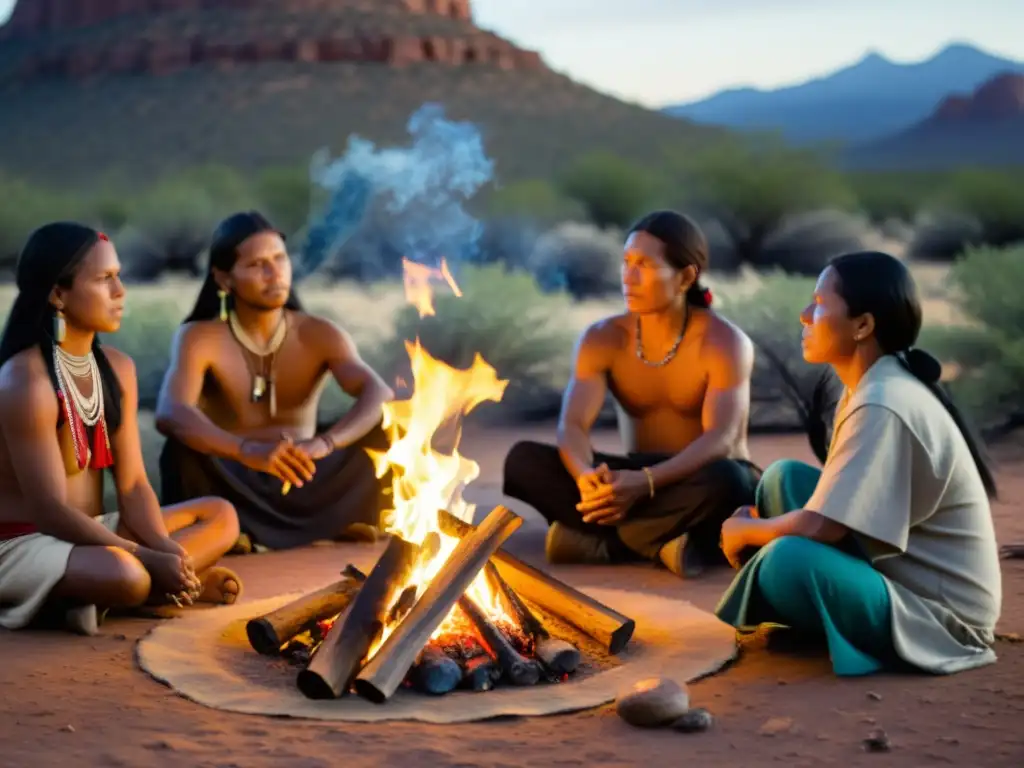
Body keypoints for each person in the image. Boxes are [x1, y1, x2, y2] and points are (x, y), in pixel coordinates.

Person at [715, 251, 1002, 677]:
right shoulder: (874, 382)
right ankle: (835, 614)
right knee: (782, 479)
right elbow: (834, 513)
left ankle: (848, 625)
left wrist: (745, 531)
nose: (804, 315)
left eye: (819, 303)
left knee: (785, 560)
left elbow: (824, 527)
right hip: (899, 573)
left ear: (863, 325)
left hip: (942, 617)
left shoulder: (883, 401)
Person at [0, 222, 241, 636]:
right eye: (104, 279)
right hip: (24, 543)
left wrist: (166, 551)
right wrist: (145, 558)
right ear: (58, 294)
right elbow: (50, 511)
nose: (120, 291)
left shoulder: (117, 368)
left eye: (119, 276)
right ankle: (155, 587)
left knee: (221, 516)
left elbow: (131, 486)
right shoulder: (26, 382)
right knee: (126, 575)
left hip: (90, 532)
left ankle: (165, 581)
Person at [503, 210, 760, 578]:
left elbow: (721, 439)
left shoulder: (724, 342)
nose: (629, 277)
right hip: (635, 479)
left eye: (644, 264)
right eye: (626, 262)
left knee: (730, 482)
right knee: (523, 460)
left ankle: (602, 543)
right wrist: (585, 478)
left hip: (701, 476)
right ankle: (663, 542)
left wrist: (648, 483)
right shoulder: (602, 338)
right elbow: (573, 424)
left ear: (686, 276)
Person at [155, 211, 395, 553]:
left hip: (307, 475)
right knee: (181, 448)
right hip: (236, 479)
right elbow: (171, 412)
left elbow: (378, 393)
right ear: (224, 279)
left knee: (385, 425)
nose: (275, 273)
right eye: (257, 265)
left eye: (280, 259)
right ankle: (225, 533)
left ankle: (349, 518)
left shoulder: (319, 333)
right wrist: (247, 451)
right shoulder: (200, 337)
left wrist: (324, 444)